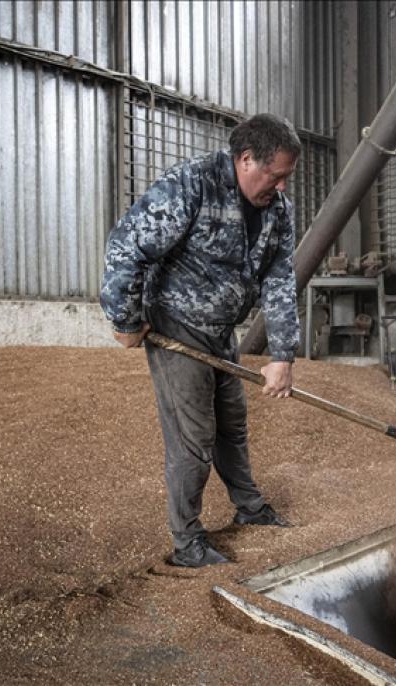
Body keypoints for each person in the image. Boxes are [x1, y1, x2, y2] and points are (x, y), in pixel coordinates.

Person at [100, 114, 302, 568]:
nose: (283, 187)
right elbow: (126, 245)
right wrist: (125, 319)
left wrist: (283, 353)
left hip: (220, 331)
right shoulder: (191, 185)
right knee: (195, 438)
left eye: (287, 178)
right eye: (278, 176)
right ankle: (187, 542)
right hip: (176, 324)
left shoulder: (277, 211)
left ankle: (249, 509)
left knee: (232, 422)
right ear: (247, 160)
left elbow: (280, 277)